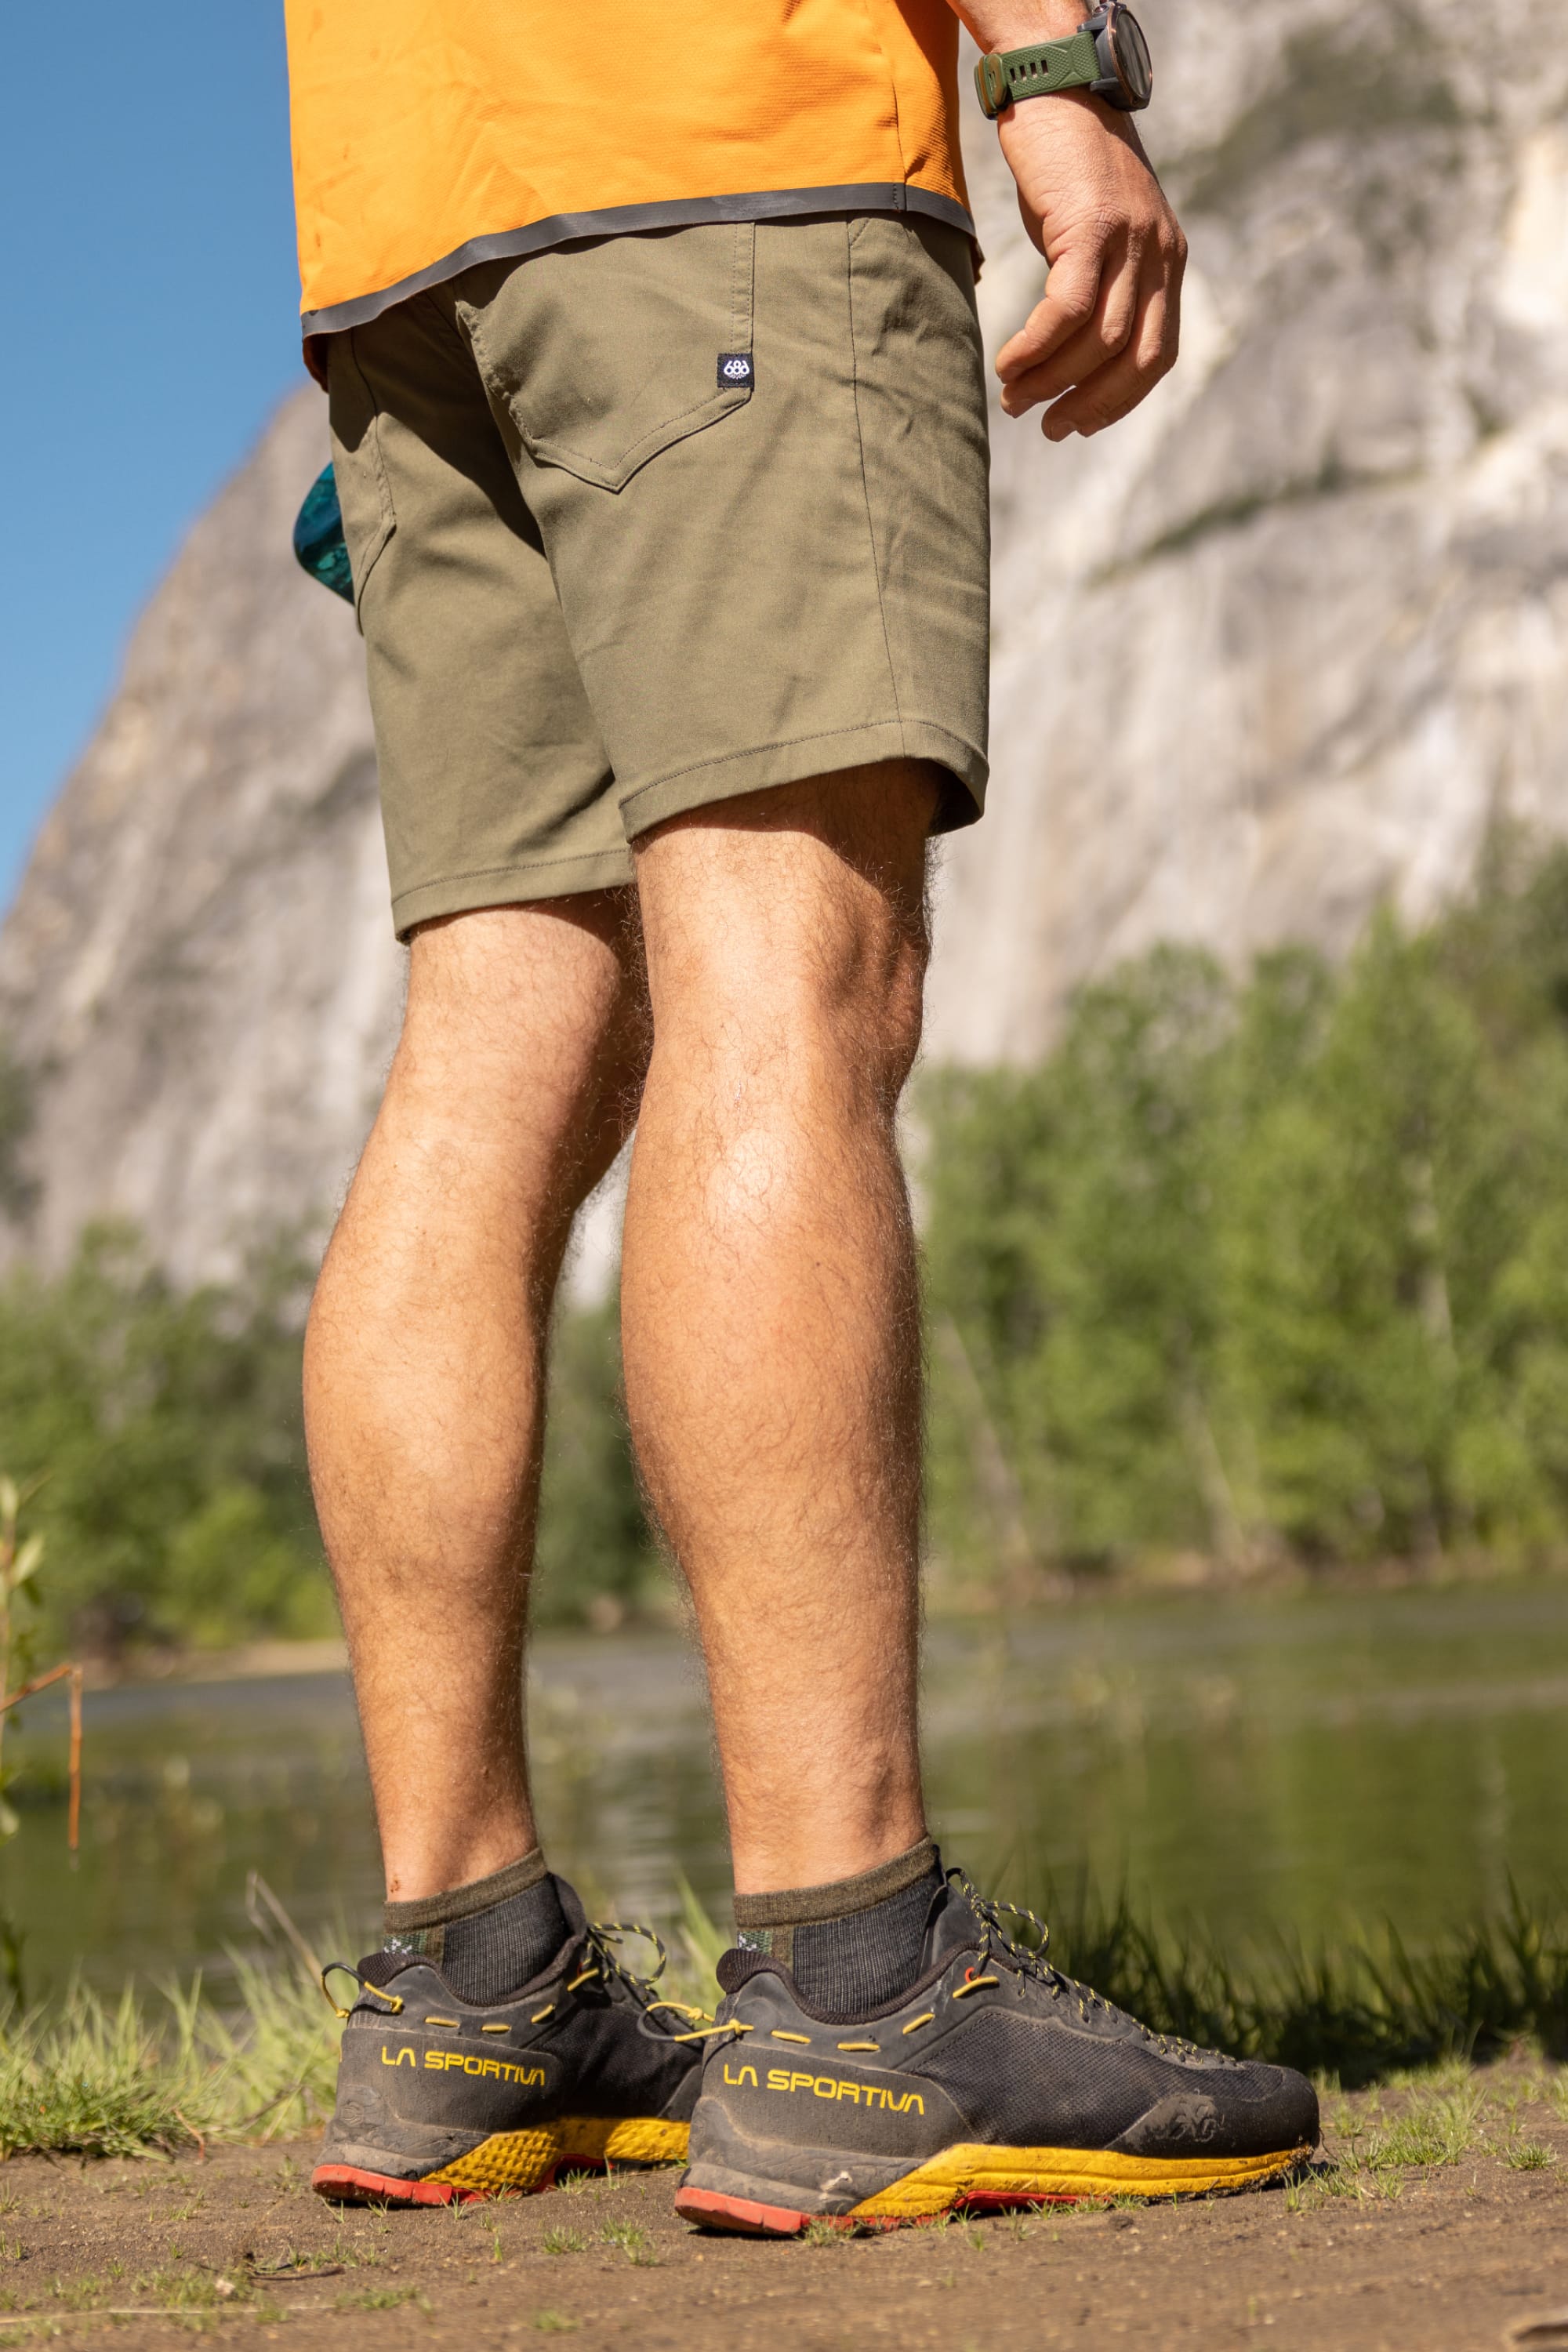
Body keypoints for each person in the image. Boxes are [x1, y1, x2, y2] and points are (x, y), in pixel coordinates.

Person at [284, 0, 1318, 2229]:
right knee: (786, 980)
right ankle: (861, 1993)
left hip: (409, 231)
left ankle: (466, 1991)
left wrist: (454, 307)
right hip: (717, 153)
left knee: (489, 1042)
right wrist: (1056, 70)